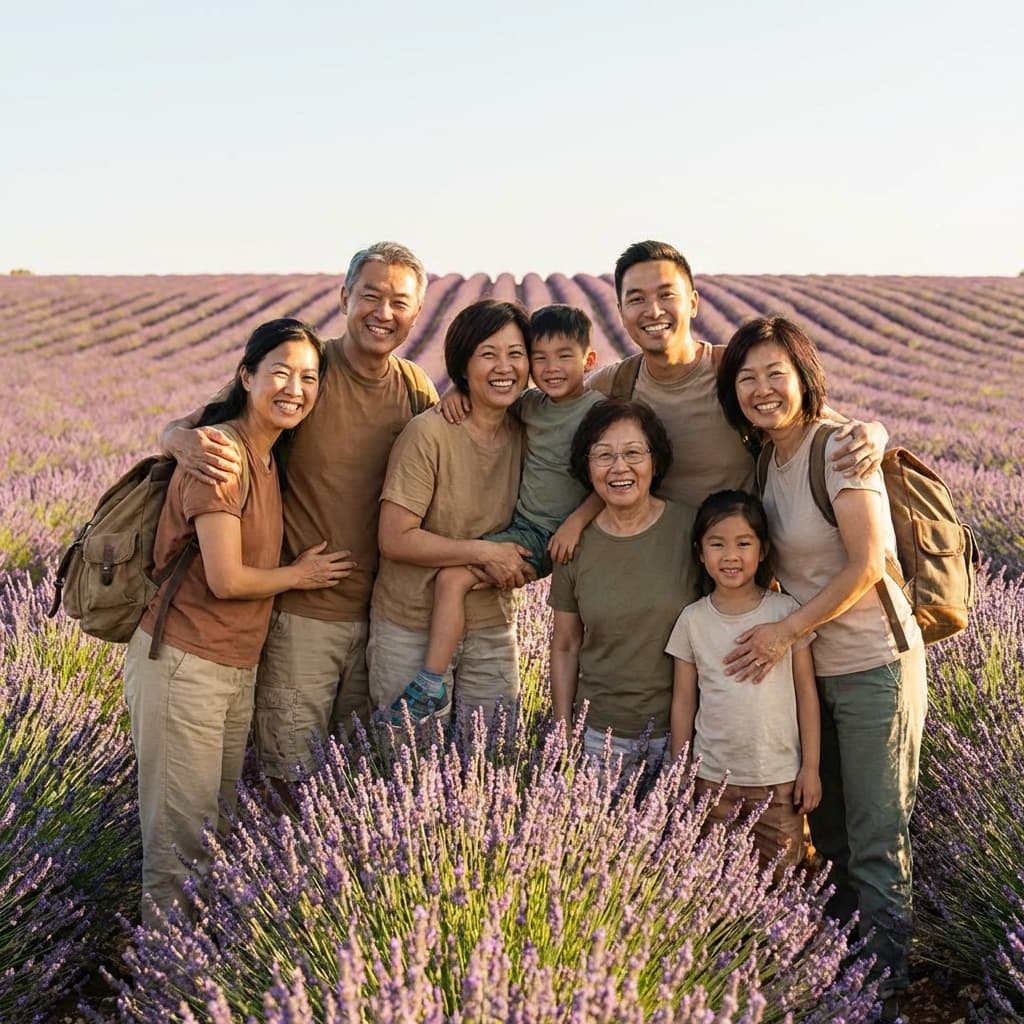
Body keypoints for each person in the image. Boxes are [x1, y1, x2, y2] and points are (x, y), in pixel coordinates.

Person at [160, 242, 438, 783]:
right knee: (291, 776)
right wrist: (176, 439)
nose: (383, 312)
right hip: (302, 620)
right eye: (370, 295)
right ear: (343, 297)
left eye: (399, 302)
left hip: (382, 621)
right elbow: (198, 423)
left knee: (357, 781)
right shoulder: (306, 368)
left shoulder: (413, 387)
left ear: (416, 314)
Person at [717, 315, 927, 1019]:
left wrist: (784, 633)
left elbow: (867, 563)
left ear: (804, 375)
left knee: (875, 831)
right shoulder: (765, 460)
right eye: (746, 377)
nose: (761, 388)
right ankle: (847, 969)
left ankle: (888, 983)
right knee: (828, 829)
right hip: (814, 671)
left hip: (872, 663)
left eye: (775, 372)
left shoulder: (836, 446)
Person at [125, 318, 349, 922]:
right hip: (183, 665)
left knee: (213, 831)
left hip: (230, 667)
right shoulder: (221, 454)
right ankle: (163, 990)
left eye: (308, 378)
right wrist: (300, 576)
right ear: (247, 375)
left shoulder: (270, 455)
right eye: (279, 372)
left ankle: (190, 973)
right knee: (179, 848)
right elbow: (227, 580)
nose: (294, 388)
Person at [393, 304, 605, 719]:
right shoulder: (531, 406)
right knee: (456, 579)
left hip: (548, 537)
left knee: (453, 578)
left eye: (565, 356)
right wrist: (457, 389)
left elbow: (608, 480)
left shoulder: (598, 412)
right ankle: (434, 679)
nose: (550, 368)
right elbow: (492, 396)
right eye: (539, 357)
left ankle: (429, 682)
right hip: (524, 527)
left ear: (589, 360)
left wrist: (575, 524)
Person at [586, 240, 888, 507]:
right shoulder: (614, 384)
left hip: (741, 562)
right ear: (621, 313)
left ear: (692, 303)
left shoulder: (732, 368)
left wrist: (876, 431)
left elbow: (813, 414)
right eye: (637, 299)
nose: (653, 311)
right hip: (663, 565)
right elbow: (544, 417)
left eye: (666, 295)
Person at [370, 299, 535, 726]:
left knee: (491, 760)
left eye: (516, 354)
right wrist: (484, 553)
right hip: (412, 628)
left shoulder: (529, 431)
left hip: (493, 628)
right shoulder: (429, 434)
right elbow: (395, 537)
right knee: (410, 771)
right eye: (488, 354)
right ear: (462, 366)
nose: (505, 367)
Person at [666, 489, 820, 876]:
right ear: (700, 553)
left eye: (743, 543)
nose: (730, 556)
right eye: (717, 544)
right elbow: (684, 701)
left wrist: (811, 768)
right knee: (712, 882)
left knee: (781, 880)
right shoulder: (693, 620)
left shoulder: (786, 614)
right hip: (712, 780)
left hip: (778, 781)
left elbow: (806, 695)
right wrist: (681, 769)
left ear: (763, 550)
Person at [549, 398, 698, 782]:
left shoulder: (691, 531)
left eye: (633, 453)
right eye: (603, 455)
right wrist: (563, 728)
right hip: (599, 737)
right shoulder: (574, 545)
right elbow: (565, 644)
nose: (619, 467)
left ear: (655, 460)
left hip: (682, 735)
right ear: (587, 465)